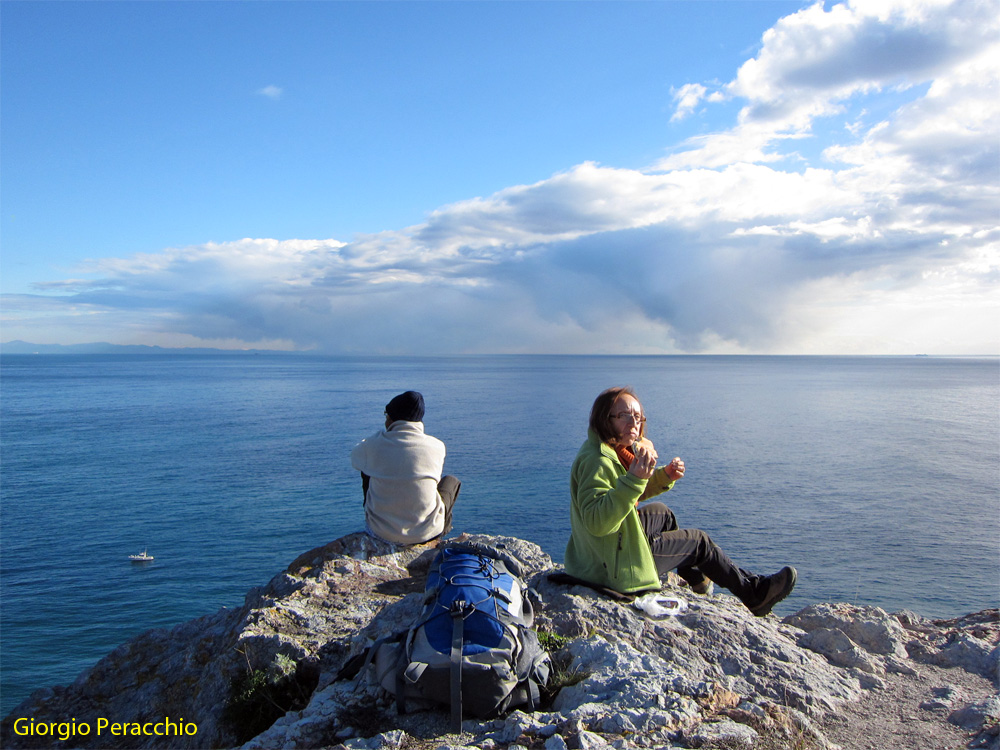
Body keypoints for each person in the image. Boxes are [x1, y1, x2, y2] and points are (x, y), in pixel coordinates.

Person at [564, 386, 796, 617]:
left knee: (663, 514)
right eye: (623, 415)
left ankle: (697, 580)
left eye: (637, 416)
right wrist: (634, 479)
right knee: (699, 542)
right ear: (605, 419)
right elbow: (597, 522)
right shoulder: (597, 462)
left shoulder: (611, 450)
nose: (633, 422)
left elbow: (624, 495)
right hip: (611, 568)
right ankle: (753, 594)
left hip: (601, 554)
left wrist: (664, 477)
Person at [350, 391, 460, 545]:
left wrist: (374, 439)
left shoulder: (373, 446)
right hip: (427, 533)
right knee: (450, 481)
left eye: (386, 415)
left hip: (381, 533)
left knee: (367, 468)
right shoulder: (437, 446)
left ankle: (379, 517)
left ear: (391, 418)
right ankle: (439, 535)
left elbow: (355, 459)